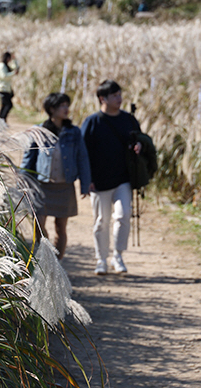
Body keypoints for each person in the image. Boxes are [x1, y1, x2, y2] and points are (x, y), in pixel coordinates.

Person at [81, 80, 142, 275]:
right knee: (101, 221)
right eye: (115, 95)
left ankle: (118, 255)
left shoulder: (129, 120)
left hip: (123, 178)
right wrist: (86, 179)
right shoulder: (92, 122)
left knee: (123, 216)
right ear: (102, 98)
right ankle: (101, 260)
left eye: (119, 94)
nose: (119, 98)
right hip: (99, 181)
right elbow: (83, 153)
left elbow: (141, 140)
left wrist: (139, 146)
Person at [21, 93, 91, 259]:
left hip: (64, 187)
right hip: (42, 186)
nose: (66, 109)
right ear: (51, 109)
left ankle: (57, 263)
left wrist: (85, 184)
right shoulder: (39, 131)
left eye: (67, 105)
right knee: (38, 224)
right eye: (62, 106)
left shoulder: (74, 132)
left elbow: (82, 158)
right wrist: (22, 183)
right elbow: (28, 159)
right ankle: (46, 256)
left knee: (61, 227)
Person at [0, 52, 19, 121]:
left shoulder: (5, 65)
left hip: (6, 88)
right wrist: (13, 73)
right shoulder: (1, 66)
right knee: (8, 105)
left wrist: (14, 60)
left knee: (4, 105)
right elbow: (4, 76)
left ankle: (0, 119)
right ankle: (2, 119)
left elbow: (15, 68)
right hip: (2, 88)